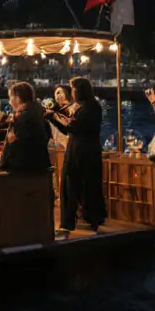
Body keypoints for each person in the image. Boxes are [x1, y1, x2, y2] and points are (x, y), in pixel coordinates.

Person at [50, 76, 106, 235]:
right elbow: (69, 128)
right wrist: (55, 117)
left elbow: (73, 128)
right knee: (73, 185)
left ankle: (81, 220)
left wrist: (53, 118)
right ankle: (72, 221)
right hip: (77, 149)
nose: (71, 92)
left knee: (82, 186)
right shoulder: (85, 107)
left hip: (85, 152)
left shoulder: (91, 108)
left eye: (73, 89)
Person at [0, 81, 51, 173]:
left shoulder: (24, 118)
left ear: (18, 99)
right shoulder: (38, 112)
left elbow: (15, 144)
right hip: (39, 166)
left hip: (24, 170)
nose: (10, 102)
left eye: (10, 97)